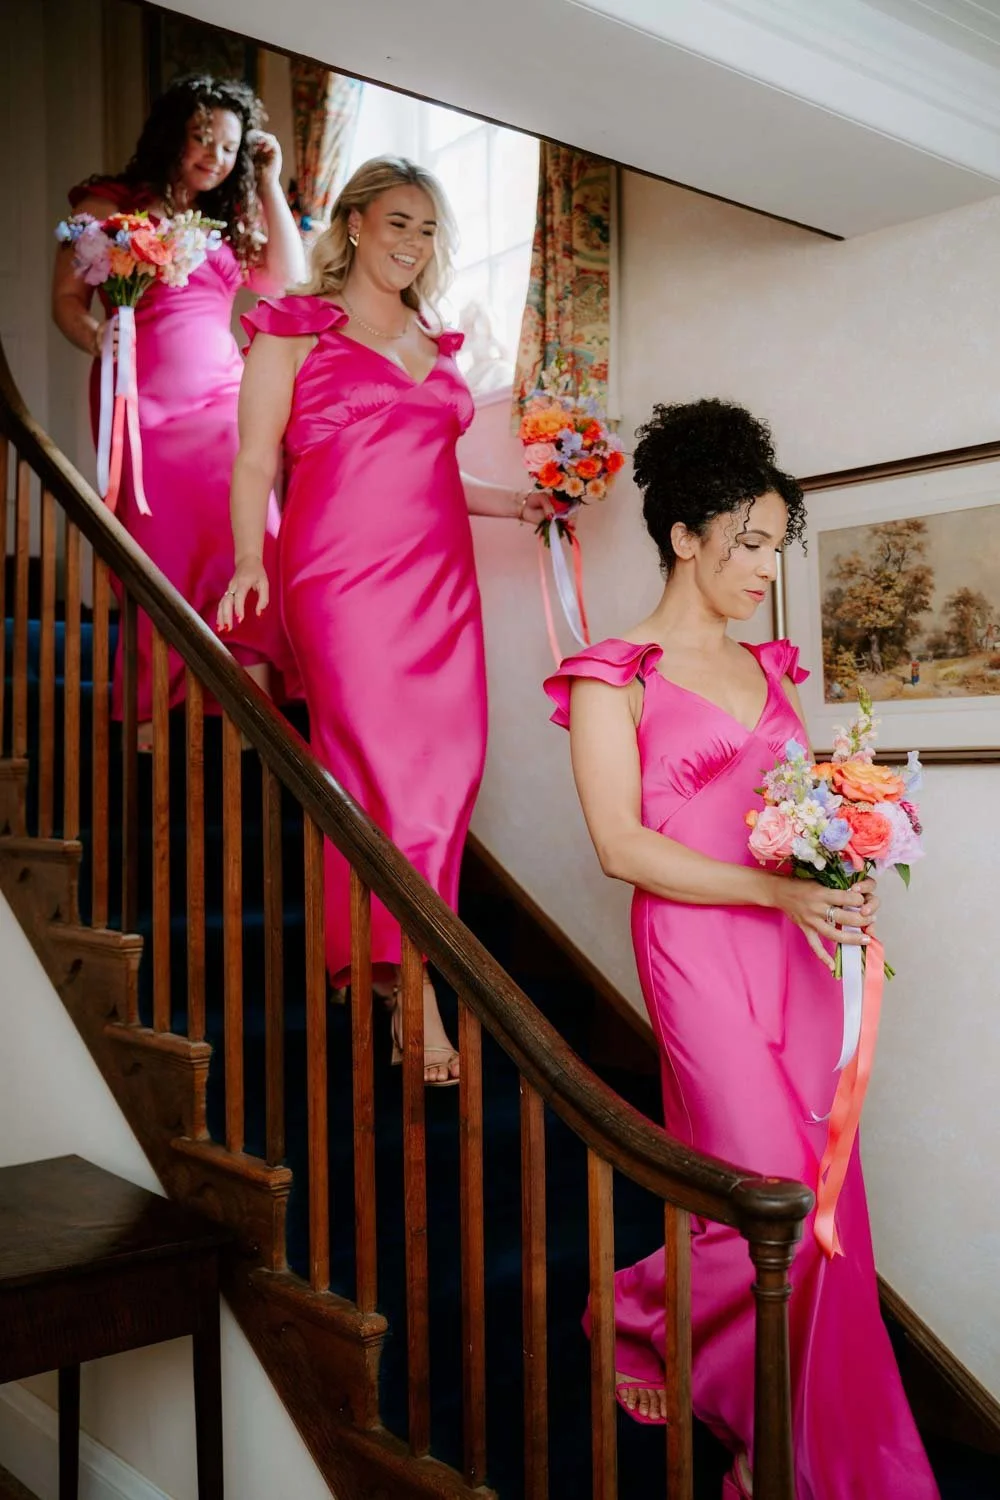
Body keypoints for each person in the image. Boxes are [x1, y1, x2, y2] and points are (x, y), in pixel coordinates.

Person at [543, 401, 938, 1498]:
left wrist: (845, 860)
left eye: (776, 545)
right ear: (684, 536)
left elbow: (794, 812)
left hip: (797, 954)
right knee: (755, 1184)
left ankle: (798, 1421)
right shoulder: (607, 676)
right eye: (749, 542)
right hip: (694, 951)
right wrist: (777, 887)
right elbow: (622, 848)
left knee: (819, 1190)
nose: (766, 567)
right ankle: (666, 1335)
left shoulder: (770, 670)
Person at [217, 156, 546, 1085]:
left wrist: (516, 505)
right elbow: (252, 462)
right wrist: (250, 559)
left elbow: (438, 468)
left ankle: (389, 966)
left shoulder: (435, 345)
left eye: (430, 230)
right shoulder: (291, 329)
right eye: (400, 222)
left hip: (442, 591)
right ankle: (419, 999)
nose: (415, 244)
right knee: (376, 780)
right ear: (356, 223)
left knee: (446, 781)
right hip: (340, 582)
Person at [52, 74, 305, 744]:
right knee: (157, 547)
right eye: (202, 136)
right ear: (172, 132)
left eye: (229, 146)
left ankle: (248, 714)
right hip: (141, 396)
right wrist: (98, 338)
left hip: (225, 399)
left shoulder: (229, 222)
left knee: (250, 534)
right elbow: (68, 303)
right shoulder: (109, 202)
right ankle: (150, 717)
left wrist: (271, 179)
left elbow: (287, 278)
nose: (215, 156)